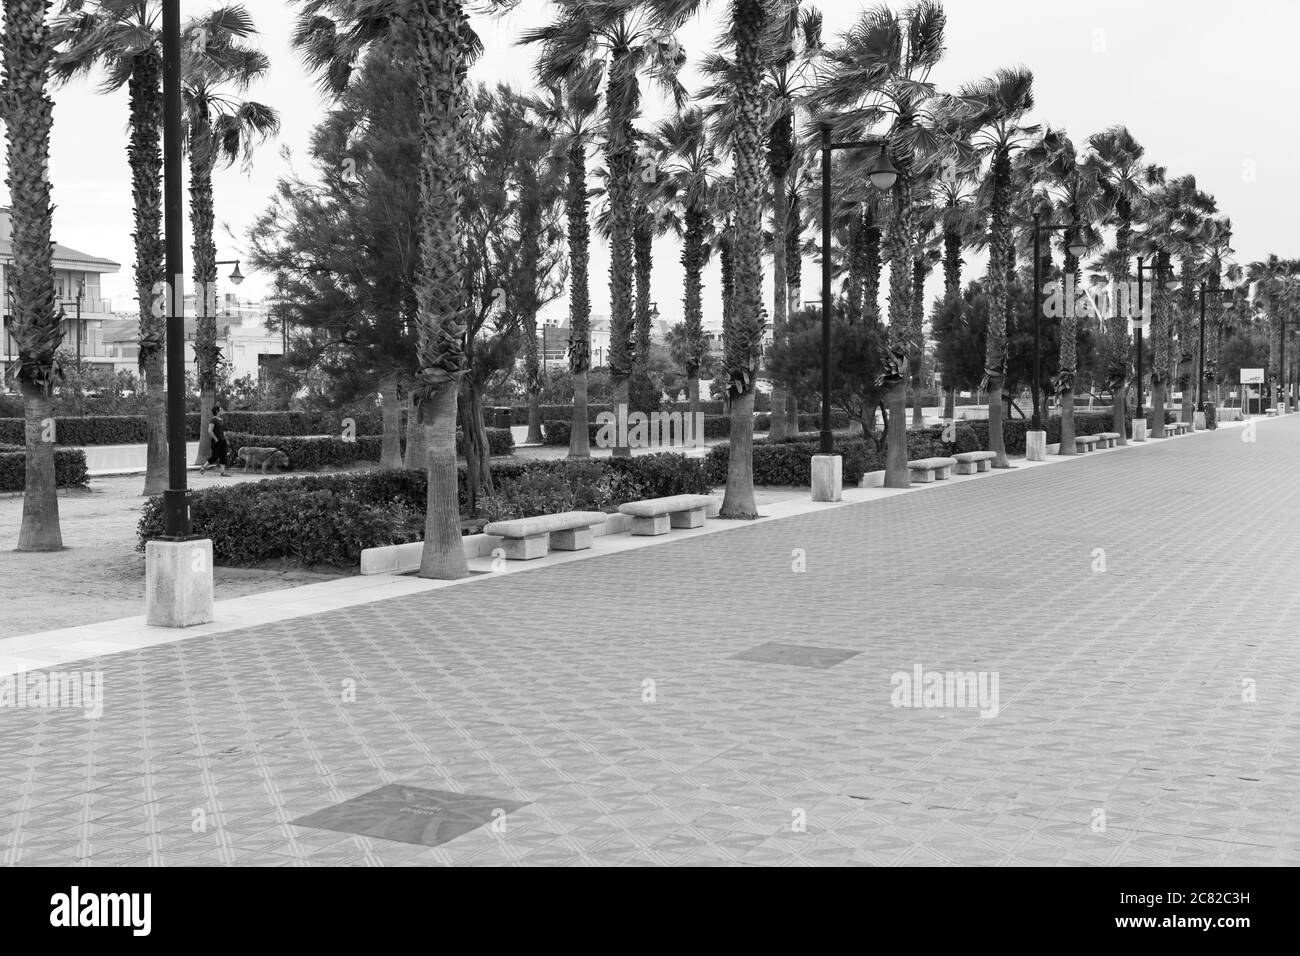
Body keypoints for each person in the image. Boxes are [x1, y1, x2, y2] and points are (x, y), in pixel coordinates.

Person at [199, 404, 231, 477]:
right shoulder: (213, 420)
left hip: (223, 441)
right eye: (221, 409)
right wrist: (216, 438)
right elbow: (210, 431)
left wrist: (226, 439)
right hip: (216, 441)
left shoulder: (221, 420)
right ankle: (203, 467)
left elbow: (222, 431)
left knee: (223, 456)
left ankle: (222, 473)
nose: (222, 410)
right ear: (217, 411)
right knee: (215, 457)